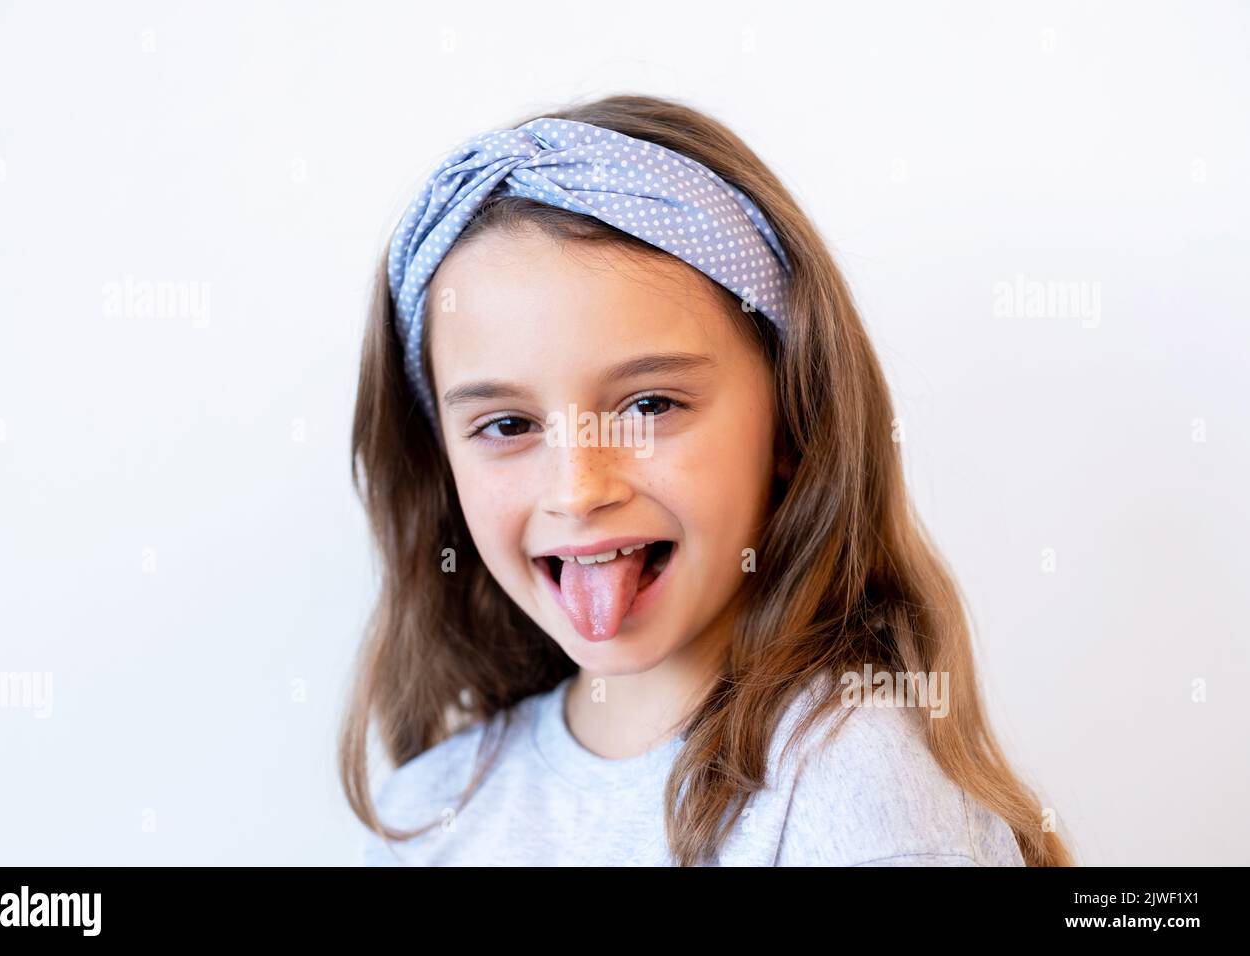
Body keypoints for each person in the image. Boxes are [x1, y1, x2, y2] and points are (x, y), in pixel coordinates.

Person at [339, 94, 1072, 866]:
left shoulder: (853, 787)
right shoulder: (426, 815)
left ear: (793, 416)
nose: (578, 489)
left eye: (650, 405)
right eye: (508, 426)